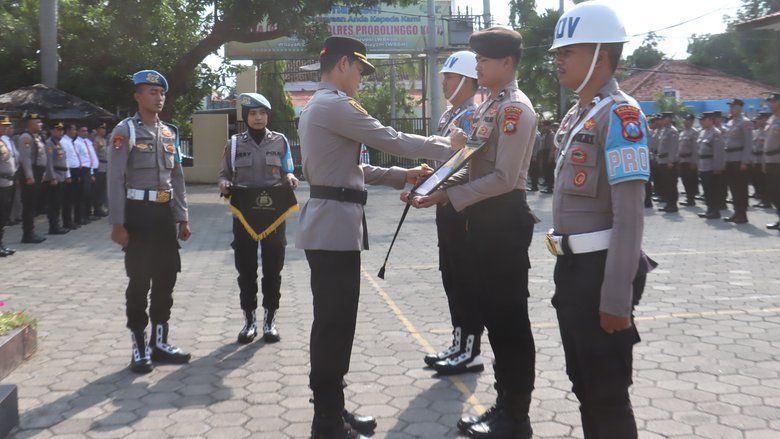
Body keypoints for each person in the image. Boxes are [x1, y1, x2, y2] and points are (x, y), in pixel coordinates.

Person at [296, 36, 464, 439]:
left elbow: (350, 169)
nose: (361, 79)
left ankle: (332, 410)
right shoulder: (335, 104)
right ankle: (327, 422)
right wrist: (450, 148)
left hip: (332, 223)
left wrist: (399, 176)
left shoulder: (318, 106)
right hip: (334, 226)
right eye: (359, 70)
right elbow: (390, 137)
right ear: (341, 66)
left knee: (335, 323)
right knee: (334, 325)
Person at [411, 27, 539, 438]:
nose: (477, 66)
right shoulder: (489, 107)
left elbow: (504, 178)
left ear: (507, 63)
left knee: (509, 321)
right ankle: (504, 407)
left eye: (483, 60)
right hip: (483, 220)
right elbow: (471, 163)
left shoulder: (515, 109)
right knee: (495, 317)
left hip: (503, 218)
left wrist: (450, 197)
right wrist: (435, 188)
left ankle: (515, 415)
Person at [545, 3, 658, 438]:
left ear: (601, 54)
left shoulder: (621, 114)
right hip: (572, 270)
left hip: (602, 272)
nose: (558, 58)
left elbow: (629, 217)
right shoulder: (580, 113)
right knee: (586, 386)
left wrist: (616, 297)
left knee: (608, 394)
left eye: (569, 50)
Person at [108, 69, 192, 374]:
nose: (158, 98)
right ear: (137, 96)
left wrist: (182, 217)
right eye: (151, 92)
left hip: (163, 215)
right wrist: (117, 223)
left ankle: (160, 342)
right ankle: (139, 346)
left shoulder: (169, 133)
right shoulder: (125, 131)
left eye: (161, 93)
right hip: (137, 214)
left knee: (166, 277)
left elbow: (178, 178)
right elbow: (115, 178)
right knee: (140, 280)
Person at [218, 92, 299, 344]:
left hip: (273, 214)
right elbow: (223, 175)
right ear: (246, 117)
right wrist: (223, 183)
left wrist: (290, 178)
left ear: (267, 116)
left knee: (273, 268)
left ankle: (270, 320)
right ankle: (249, 320)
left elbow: (288, 170)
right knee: (246, 269)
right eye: (253, 113)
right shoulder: (233, 144)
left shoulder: (281, 141)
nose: (258, 117)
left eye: (262, 113)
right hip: (244, 215)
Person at [422, 50, 484, 375]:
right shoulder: (450, 117)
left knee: (465, 279)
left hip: (463, 208)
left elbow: (471, 165)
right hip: (445, 205)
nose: (443, 82)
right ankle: (459, 343)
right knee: (450, 276)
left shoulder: (472, 117)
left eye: (448, 76)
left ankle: (471, 351)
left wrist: (441, 181)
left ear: (464, 80)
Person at [16, 113, 47, 244]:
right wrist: (29, 176)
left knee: (33, 203)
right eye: (37, 122)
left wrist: (44, 172)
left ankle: (31, 231)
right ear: (30, 124)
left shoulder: (38, 137)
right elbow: (25, 158)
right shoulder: (26, 137)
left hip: (38, 172)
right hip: (30, 173)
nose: (40, 124)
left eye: (40, 122)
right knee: (28, 204)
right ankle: (27, 234)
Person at [723, 98, 753, 223]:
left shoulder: (745, 122)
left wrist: (745, 161)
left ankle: (742, 214)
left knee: (741, 188)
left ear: (740, 108)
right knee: (733, 188)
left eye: (733, 107)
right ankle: (736, 212)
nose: (730, 109)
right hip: (729, 159)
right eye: (730, 107)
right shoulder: (730, 123)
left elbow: (748, 144)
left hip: (739, 159)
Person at [697, 112, 727, 220]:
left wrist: (718, 167)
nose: (702, 122)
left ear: (710, 120)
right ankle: (709, 209)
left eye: (704, 120)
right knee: (706, 190)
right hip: (703, 166)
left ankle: (715, 211)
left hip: (711, 167)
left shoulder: (716, 133)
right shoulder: (702, 132)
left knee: (713, 189)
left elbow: (719, 152)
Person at [43, 122, 70, 235]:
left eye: (61, 130)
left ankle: (56, 225)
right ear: (52, 131)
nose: (60, 132)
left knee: (58, 203)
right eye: (58, 130)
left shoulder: (58, 143)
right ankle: (53, 227)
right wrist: (52, 177)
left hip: (61, 176)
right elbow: (49, 162)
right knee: (53, 203)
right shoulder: (49, 143)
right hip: (55, 177)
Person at [0, 116, 17, 256]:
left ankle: (1, 244)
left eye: (6, 126)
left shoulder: (2, 142)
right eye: (2, 125)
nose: (5, 128)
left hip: (7, 183)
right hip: (1, 183)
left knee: (4, 215)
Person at [656, 112, 679, 213]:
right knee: (665, 184)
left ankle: (673, 205)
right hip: (662, 160)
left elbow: (673, 148)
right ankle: (668, 204)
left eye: (664, 118)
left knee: (671, 184)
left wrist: (671, 161)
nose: (662, 120)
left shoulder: (672, 131)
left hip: (668, 162)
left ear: (669, 119)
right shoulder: (664, 130)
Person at [764, 93, 780, 230]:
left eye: (774, 101)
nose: (771, 104)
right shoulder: (771, 119)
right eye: (770, 102)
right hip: (770, 160)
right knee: (774, 192)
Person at [60, 124, 80, 229]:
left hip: (75, 171)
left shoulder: (70, 141)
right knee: (67, 199)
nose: (75, 131)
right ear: (68, 130)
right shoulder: (64, 142)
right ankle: (66, 221)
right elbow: (66, 159)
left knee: (72, 197)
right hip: (70, 172)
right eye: (74, 129)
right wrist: (67, 175)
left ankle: (70, 220)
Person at [677, 113, 700, 207]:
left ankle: (691, 199)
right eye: (685, 120)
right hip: (682, 160)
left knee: (691, 180)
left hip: (690, 160)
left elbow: (695, 149)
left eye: (688, 120)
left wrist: (694, 162)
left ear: (692, 122)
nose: (686, 122)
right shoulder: (682, 132)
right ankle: (688, 197)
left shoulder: (694, 132)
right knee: (685, 180)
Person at [74, 126, 93, 225]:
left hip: (88, 170)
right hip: (82, 170)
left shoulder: (87, 142)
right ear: (78, 132)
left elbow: (90, 157)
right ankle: (79, 217)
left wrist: (92, 172)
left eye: (86, 131)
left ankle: (86, 215)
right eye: (83, 131)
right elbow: (78, 158)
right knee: (81, 195)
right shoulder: (77, 143)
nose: (85, 133)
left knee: (87, 195)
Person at [750, 112, 770, 208]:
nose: (756, 121)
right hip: (756, 159)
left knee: (765, 181)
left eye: (758, 119)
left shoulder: (768, 131)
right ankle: (762, 198)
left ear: (765, 120)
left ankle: (767, 201)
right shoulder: (756, 131)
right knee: (758, 180)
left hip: (764, 159)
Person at [92, 123, 109, 217]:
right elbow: (94, 155)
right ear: (98, 129)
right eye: (102, 128)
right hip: (99, 167)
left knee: (102, 189)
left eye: (104, 129)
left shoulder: (104, 140)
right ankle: (96, 209)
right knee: (97, 189)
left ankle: (100, 207)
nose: (104, 130)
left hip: (105, 167)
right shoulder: (96, 140)